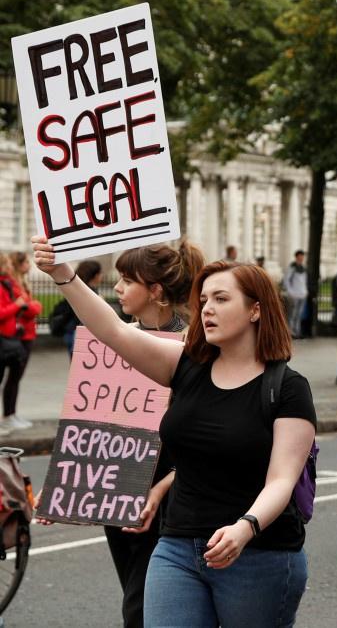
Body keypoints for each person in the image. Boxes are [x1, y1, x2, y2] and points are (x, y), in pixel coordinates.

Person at [32, 236, 317, 626]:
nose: (207, 309)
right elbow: (114, 332)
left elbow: (281, 480)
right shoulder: (185, 364)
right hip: (177, 547)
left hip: (259, 553)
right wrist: (62, 273)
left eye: (221, 299)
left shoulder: (287, 387)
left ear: (255, 310)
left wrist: (245, 528)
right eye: (203, 301)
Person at [105, 241, 205, 626]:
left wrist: (164, 486)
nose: (117, 288)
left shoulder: (194, 344)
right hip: (120, 483)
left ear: (155, 291)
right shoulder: (116, 340)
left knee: (140, 607)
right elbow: (92, 419)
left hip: (170, 491)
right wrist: (66, 484)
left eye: (127, 280)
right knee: (135, 589)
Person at [0, 252, 41, 433]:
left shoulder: (11, 284)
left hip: (18, 335)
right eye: (6, 263)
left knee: (15, 378)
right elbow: (25, 308)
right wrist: (20, 305)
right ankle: (7, 416)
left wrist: (29, 305)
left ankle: (10, 415)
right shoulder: (9, 285)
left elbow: (30, 306)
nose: (30, 266)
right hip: (12, 337)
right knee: (10, 379)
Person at [49, 259, 103, 357]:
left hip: (71, 331)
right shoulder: (91, 293)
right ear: (96, 275)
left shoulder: (77, 289)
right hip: (81, 333)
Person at [282, 250, 308, 338]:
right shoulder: (292, 268)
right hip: (294, 295)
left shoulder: (303, 268)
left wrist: (305, 291)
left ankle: (297, 332)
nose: (302, 258)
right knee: (292, 314)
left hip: (302, 294)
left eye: (303, 256)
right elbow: (286, 281)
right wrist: (291, 292)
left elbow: (304, 281)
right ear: (297, 257)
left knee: (299, 314)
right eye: (300, 256)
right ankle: (290, 332)